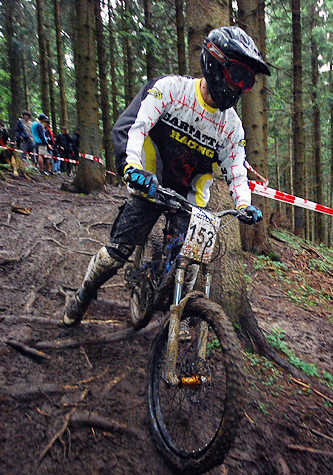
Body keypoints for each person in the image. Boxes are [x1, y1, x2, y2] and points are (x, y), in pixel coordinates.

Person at [63, 26, 269, 326]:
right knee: (117, 253)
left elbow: (237, 170)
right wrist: (131, 168)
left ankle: (174, 326)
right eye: (238, 75)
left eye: (248, 81)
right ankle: (83, 294)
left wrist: (243, 204)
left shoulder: (231, 126)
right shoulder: (171, 90)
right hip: (150, 181)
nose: (240, 87)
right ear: (215, 63)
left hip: (190, 196)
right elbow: (135, 127)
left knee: (191, 264)